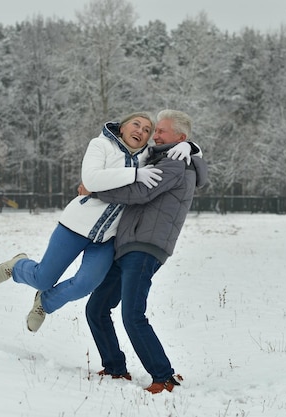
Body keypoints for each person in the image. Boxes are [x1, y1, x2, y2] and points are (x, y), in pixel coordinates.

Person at [0, 112, 194, 333]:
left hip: (107, 238)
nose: (141, 131)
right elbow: (92, 179)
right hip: (75, 226)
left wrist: (191, 147)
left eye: (147, 130)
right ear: (122, 127)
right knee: (43, 278)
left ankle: (44, 303)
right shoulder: (101, 145)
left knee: (85, 284)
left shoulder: (147, 156)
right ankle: (18, 266)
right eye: (136, 124)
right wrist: (134, 174)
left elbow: (173, 144)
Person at [84, 109, 208, 394]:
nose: (156, 135)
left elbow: (139, 192)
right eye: (157, 130)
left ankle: (163, 377)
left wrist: (95, 191)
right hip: (128, 244)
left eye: (162, 131)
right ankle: (115, 367)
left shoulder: (177, 163)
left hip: (146, 246)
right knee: (97, 308)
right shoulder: (164, 156)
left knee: (132, 314)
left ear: (180, 137)